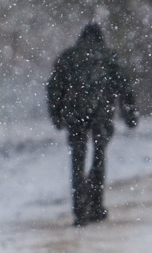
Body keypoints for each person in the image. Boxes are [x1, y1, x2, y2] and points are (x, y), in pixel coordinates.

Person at [47, 22, 138, 226]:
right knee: (99, 156)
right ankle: (96, 204)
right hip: (101, 113)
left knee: (77, 159)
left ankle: (80, 209)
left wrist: (56, 114)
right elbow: (124, 86)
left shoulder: (68, 57)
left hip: (74, 113)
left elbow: (54, 88)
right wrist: (129, 114)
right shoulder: (108, 57)